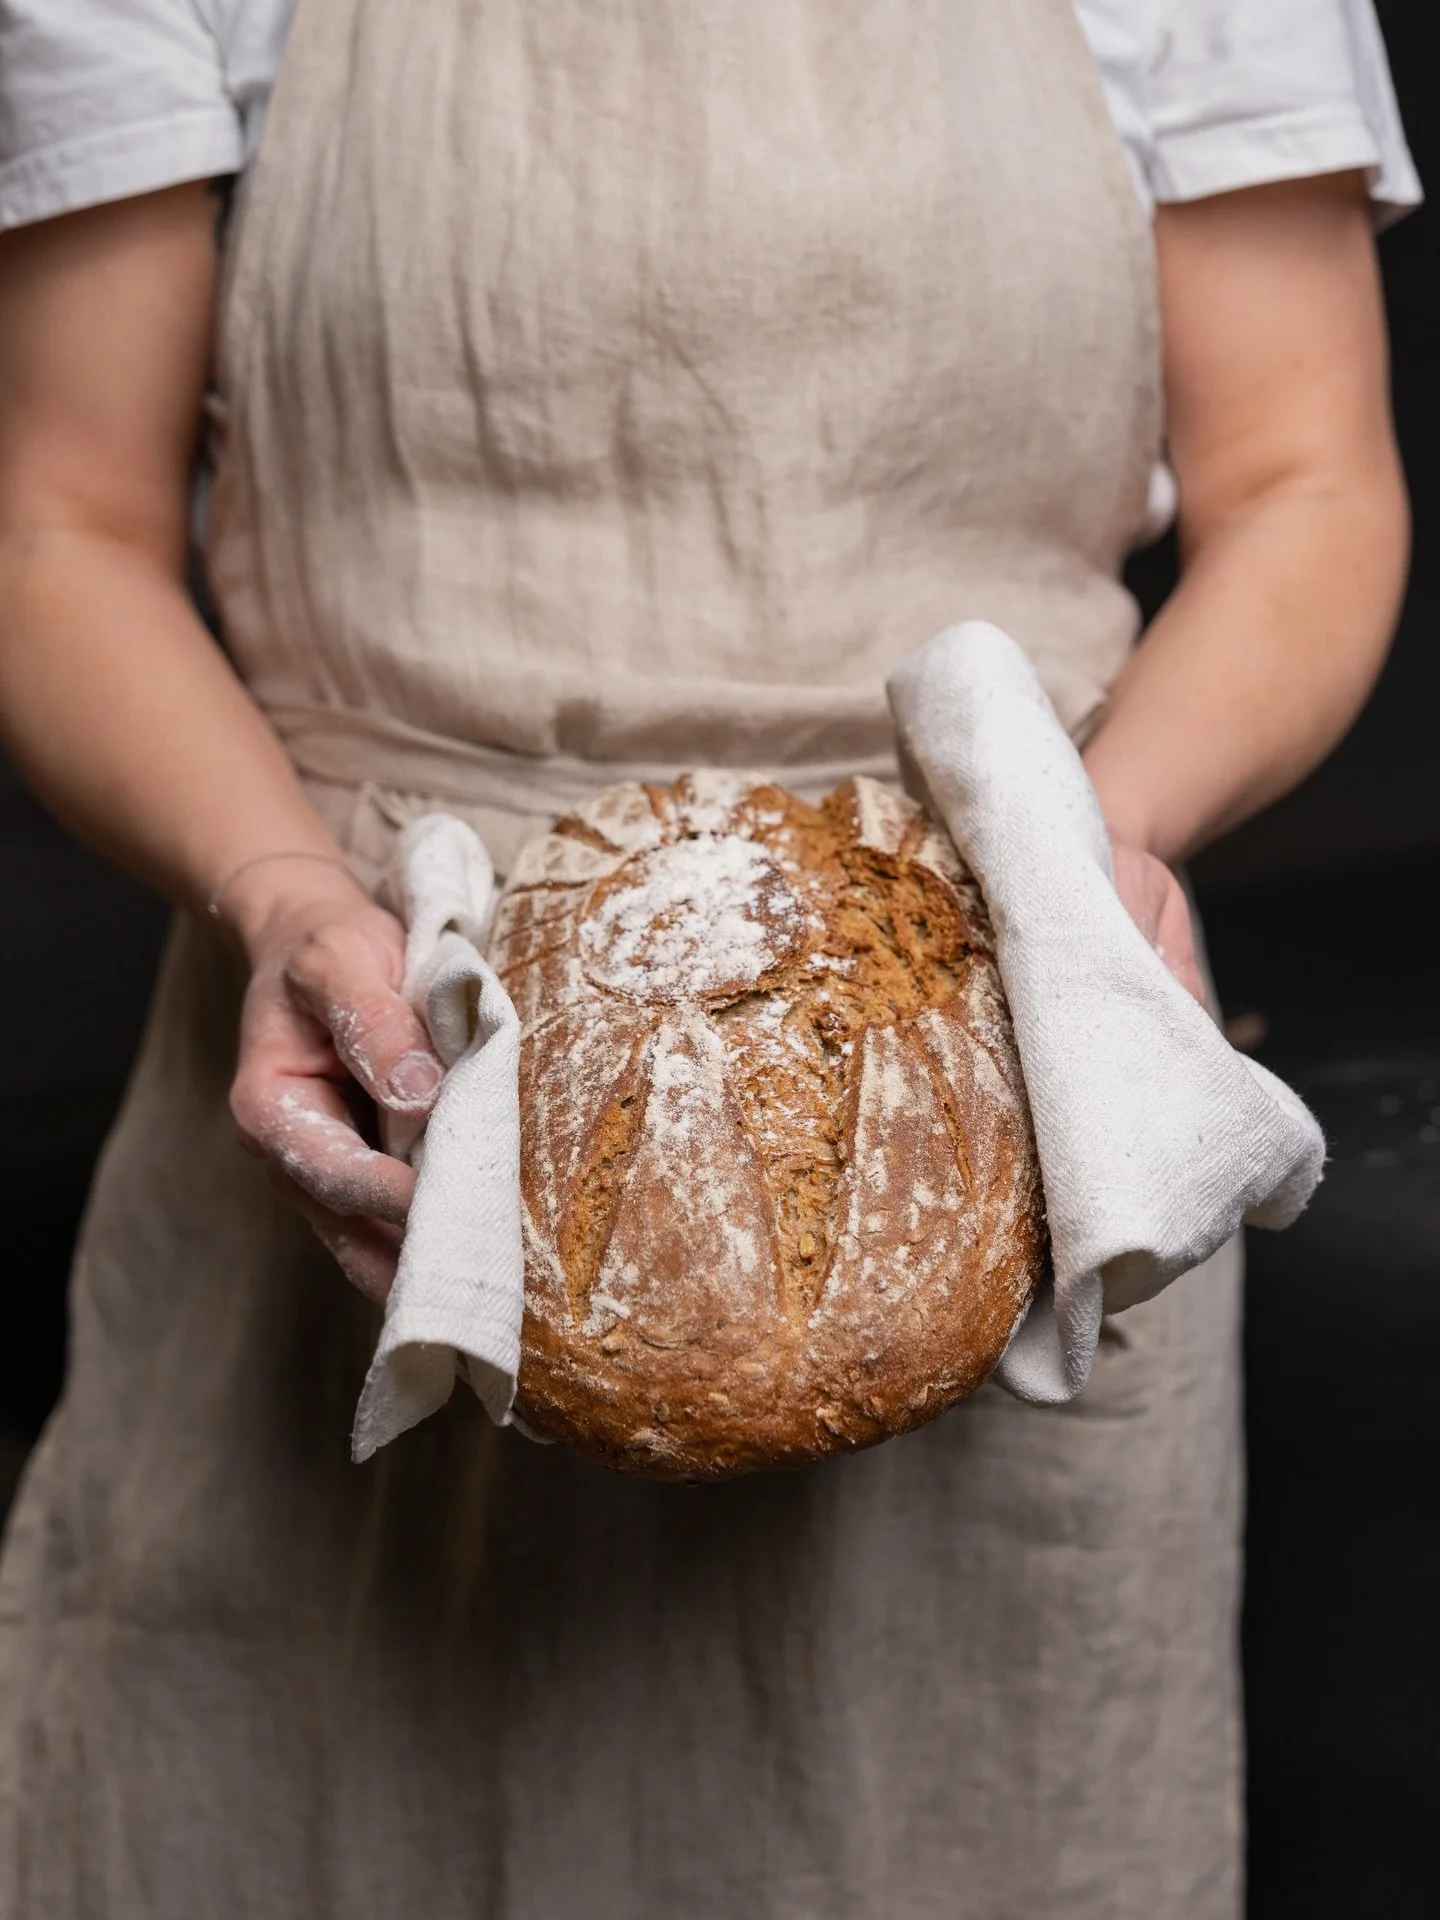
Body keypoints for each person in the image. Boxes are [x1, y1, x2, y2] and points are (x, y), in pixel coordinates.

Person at [0, 2, 1417, 1914]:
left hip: (992, 1074)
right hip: (362, 1064)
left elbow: (1305, 482)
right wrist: (279, 896)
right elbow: (62, 523)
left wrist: (1090, 856)